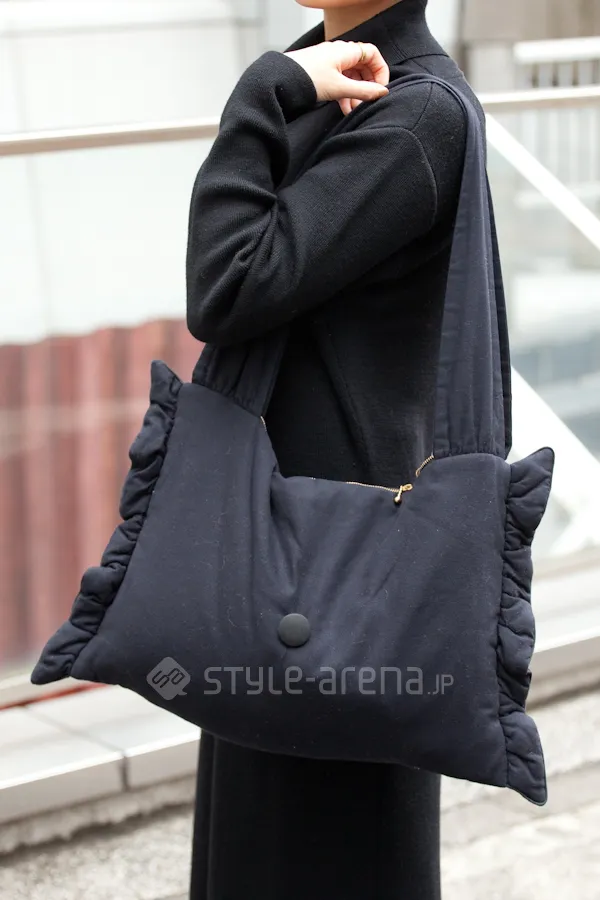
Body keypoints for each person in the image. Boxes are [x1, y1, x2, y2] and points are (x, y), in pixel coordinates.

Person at [185, 1, 484, 897]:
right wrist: (290, 82)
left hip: (336, 560)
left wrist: (264, 85)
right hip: (288, 530)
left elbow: (229, 282)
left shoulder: (417, 112)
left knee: (317, 840)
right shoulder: (334, 82)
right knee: (270, 829)